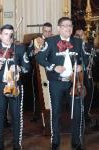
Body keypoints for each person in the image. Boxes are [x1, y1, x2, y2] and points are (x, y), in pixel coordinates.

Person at [36, 17, 85, 150]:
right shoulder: (51, 41)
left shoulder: (78, 42)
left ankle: (76, 141)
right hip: (56, 83)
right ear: (58, 28)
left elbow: (82, 59)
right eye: (65, 26)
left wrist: (81, 66)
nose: (68, 28)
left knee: (76, 112)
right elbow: (40, 57)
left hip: (73, 83)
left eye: (70, 25)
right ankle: (55, 141)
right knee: (56, 112)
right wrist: (53, 66)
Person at [0, 24, 30, 150]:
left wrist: (20, 68)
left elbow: (27, 67)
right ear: (0, 35)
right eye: (5, 34)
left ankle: (16, 144)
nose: (8, 36)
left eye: (10, 34)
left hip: (15, 86)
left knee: (16, 116)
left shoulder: (19, 49)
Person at [27, 22, 52, 121]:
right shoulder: (35, 41)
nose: (47, 33)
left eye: (49, 31)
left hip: (51, 71)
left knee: (51, 93)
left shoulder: (54, 41)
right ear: (42, 31)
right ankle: (37, 114)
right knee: (38, 93)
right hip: (38, 72)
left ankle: (51, 113)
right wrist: (34, 52)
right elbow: (28, 54)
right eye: (45, 31)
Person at [74, 28, 95, 124]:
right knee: (76, 95)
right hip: (75, 75)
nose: (79, 36)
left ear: (84, 36)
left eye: (81, 34)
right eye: (77, 35)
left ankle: (86, 113)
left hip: (87, 74)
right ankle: (78, 115)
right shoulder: (72, 46)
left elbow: (91, 60)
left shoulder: (89, 46)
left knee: (88, 93)